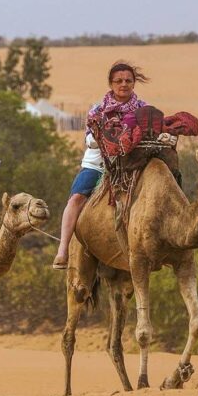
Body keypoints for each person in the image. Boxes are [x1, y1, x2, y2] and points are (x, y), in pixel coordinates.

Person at [52, 61, 149, 270]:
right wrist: (106, 138)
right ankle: (63, 249)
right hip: (99, 163)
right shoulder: (98, 110)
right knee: (76, 198)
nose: (124, 84)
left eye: (128, 81)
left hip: (133, 163)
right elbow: (89, 139)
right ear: (111, 83)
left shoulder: (144, 109)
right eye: (119, 81)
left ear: (134, 83)